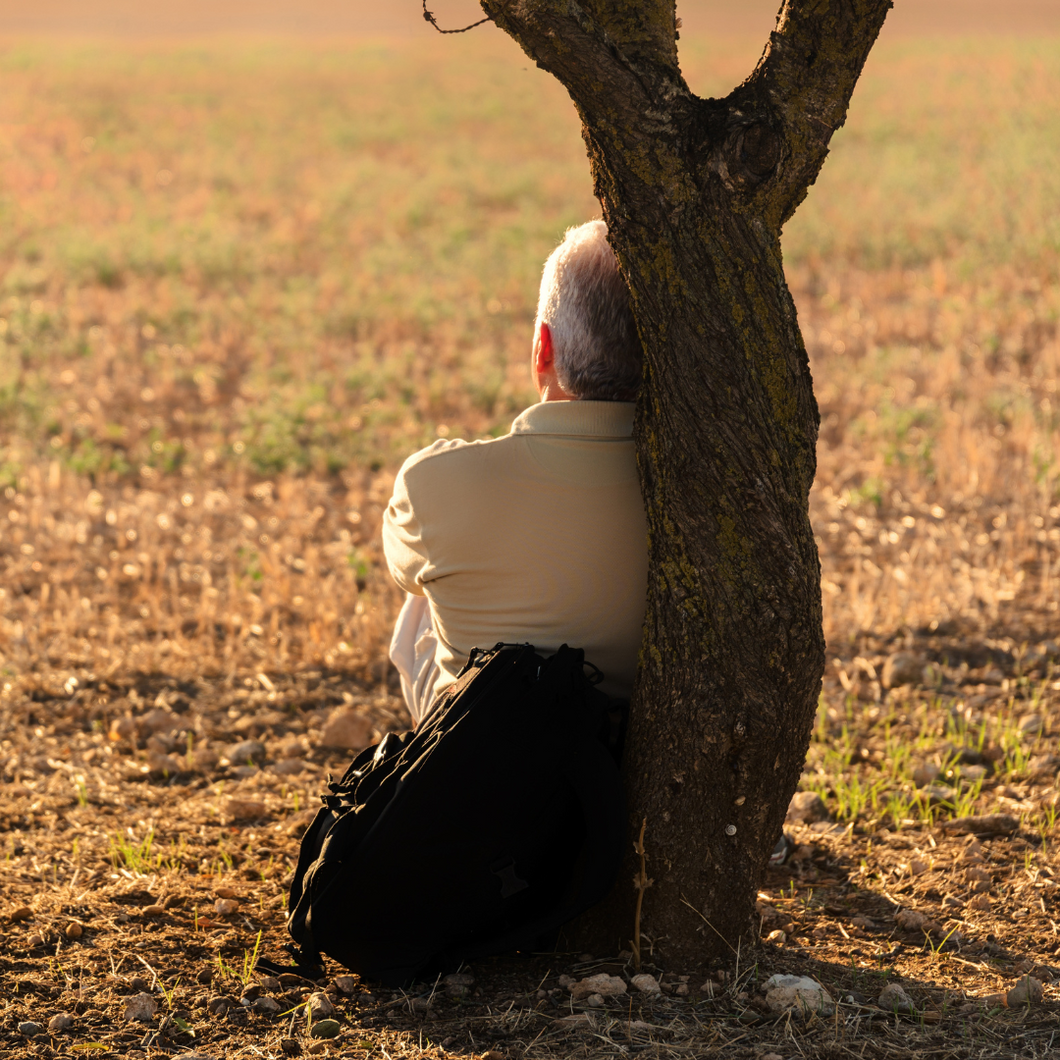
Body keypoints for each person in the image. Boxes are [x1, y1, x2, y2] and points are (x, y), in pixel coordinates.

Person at [383, 220, 648, 725]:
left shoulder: (433, 483)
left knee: (424, 592)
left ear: (542, 348)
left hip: (483, 764)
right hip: (622, 762)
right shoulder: (703, 495)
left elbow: (400, 566)